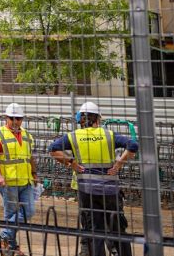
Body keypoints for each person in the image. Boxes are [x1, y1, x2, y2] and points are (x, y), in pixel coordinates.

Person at [49, 101, 139, 256]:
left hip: (87, 191)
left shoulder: (74, 136)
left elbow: (53, 149)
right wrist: (119, 164)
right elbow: (133, 146)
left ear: (81, 120)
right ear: (98, 118)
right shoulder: (108, 135)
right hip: (110, 190)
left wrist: (71, 163)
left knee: (95, 230)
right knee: (117, 228)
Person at [0, 103, 38, 256]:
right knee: (11, 215)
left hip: (26, 181)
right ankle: (11, 249)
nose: (15, 121)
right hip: (8, 182)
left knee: (28, 211)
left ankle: (4, 237)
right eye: (12, 118)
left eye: (18, 119)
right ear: (6, 118)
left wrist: (34, 174)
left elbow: (30, 157)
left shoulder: (27, 135)